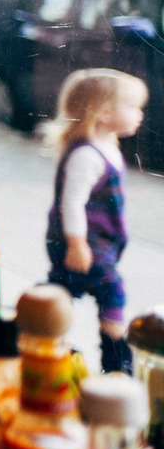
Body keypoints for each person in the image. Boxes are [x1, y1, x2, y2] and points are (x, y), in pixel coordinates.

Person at [44, 67, 149, 375]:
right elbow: (71, 202)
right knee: (111, 290)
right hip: (84, 243)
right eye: (132, 107)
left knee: (64, 288)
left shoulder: (106, 146)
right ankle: (116, 359)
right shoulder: (87, 155)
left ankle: (40, 332)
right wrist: (76, 245)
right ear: (104, 113)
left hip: (97, 243)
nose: (139, 114)